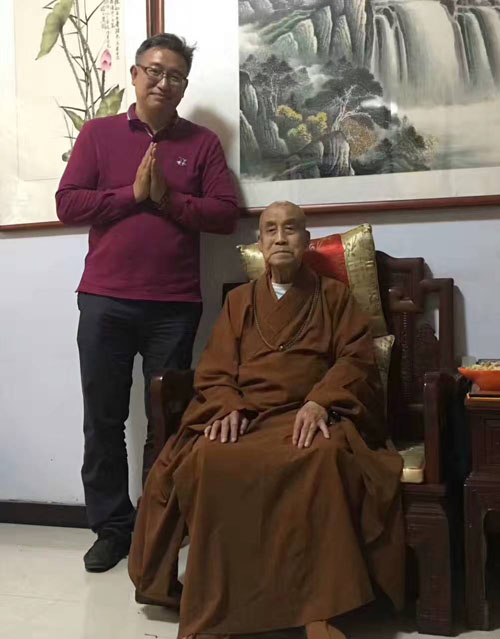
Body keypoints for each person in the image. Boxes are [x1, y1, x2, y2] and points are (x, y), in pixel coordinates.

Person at [128, 201, 405, 639]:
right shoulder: (239, 301)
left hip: (308, 415)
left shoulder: (334, 297)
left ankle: (319, 610)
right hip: (249, 416)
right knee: (210, 457)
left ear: (306, 241)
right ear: (260, 242)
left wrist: (321, 402)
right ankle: (217, 609)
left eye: (290, 229)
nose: (280, 238)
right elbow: (216, 367)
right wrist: (227, 405)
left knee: (323, 456)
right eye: (270, 230)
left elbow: (355, 360)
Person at [56, 33, 239, 573]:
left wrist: (168, 199)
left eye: (175, 75)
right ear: (135, 75)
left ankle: (157, 526)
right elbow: (68, 204)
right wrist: (132, 195)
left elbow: (224, 214)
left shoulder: (202, 143)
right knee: (103, 419)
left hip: (173, 306)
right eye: (154, 71)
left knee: (167, 421)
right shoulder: (98, 134)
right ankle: (112, 529)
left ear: (184, 86)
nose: (164, 82)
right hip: (105, 301)